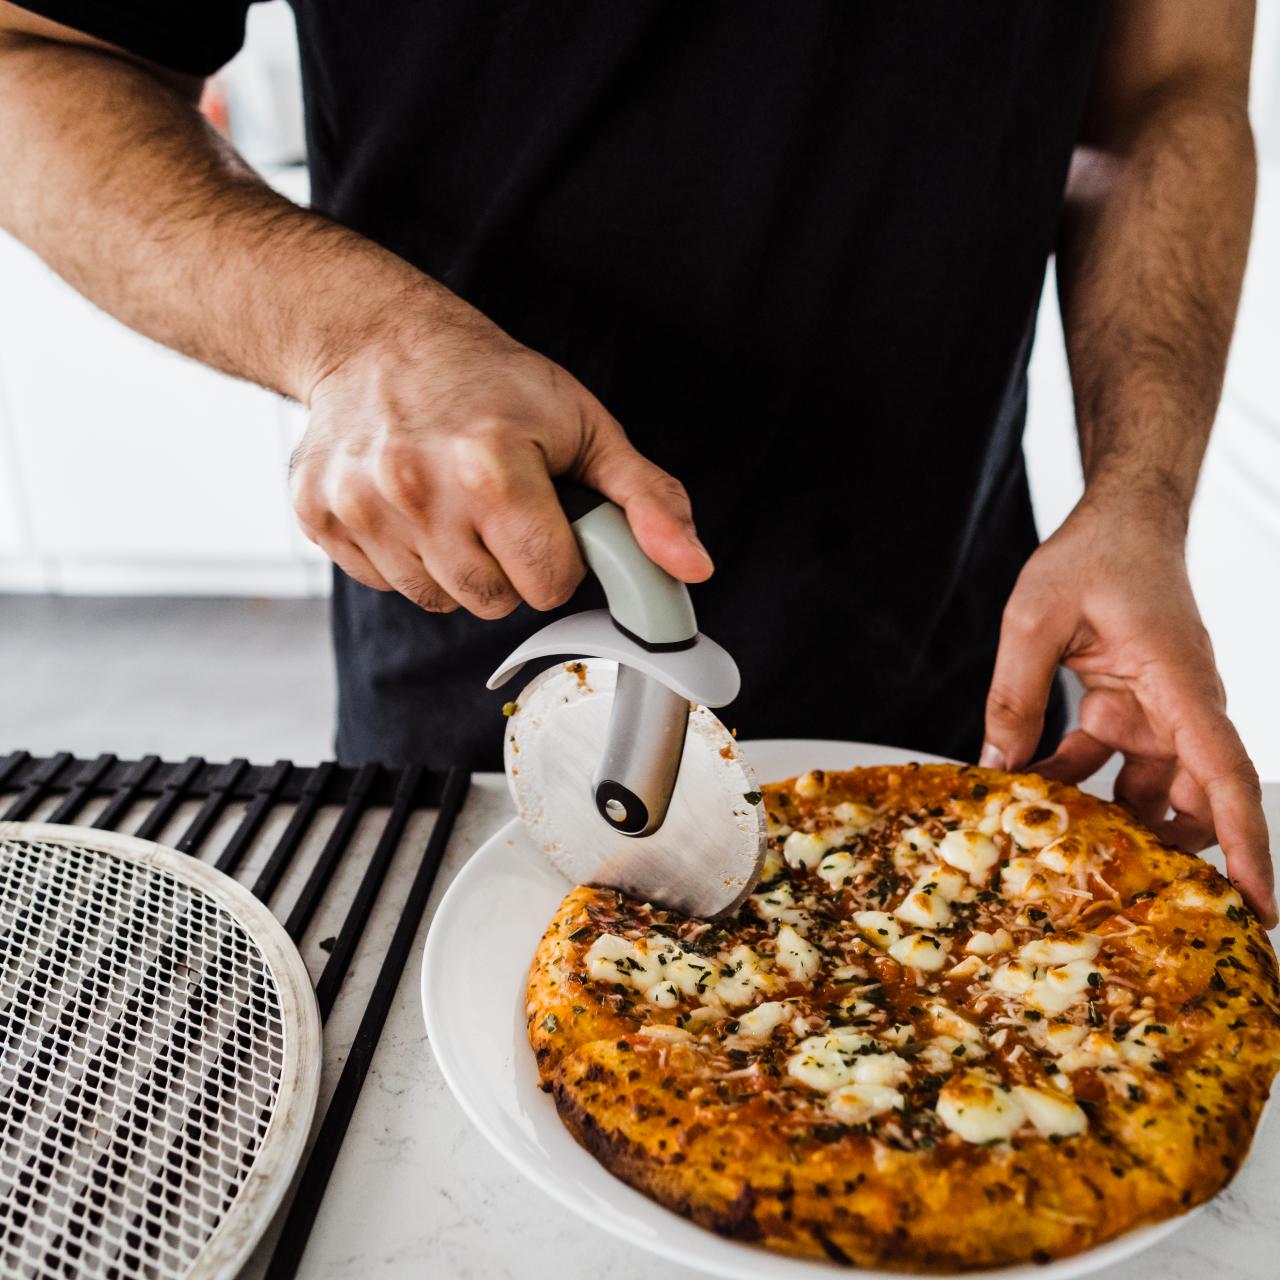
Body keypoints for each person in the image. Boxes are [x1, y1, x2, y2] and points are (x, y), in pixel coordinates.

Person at [0, 0, 1273, 925]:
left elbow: (1170, 89)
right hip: (492, 675)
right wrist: (350, 335)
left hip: (961, 654)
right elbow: (30, 57)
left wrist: (1138, 493)